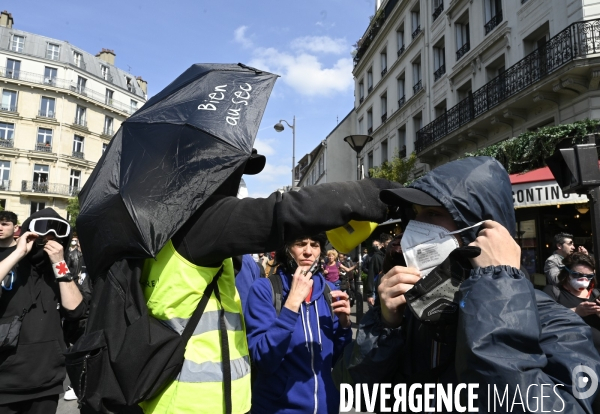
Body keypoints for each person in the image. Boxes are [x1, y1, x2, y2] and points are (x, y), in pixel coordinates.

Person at [333, 156, 600, 412]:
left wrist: (498, 287)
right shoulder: (415, 310)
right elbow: (353, 391)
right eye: (414, 213)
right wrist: (385, 326)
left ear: (482, 230)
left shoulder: (555, 322)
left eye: (433, 213)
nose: (416, 226)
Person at [244, 234, 352, 414]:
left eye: (315, 245)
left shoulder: (329, 291)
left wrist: (344, 326)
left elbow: (339, 359)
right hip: (278, 408)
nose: (308, 251)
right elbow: (264, 360)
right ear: (286, 249)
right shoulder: (264, 289)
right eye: (300, 244)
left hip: (327, 406)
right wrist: (292, 304)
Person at [0, 209, 87, 414]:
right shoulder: (7, 258)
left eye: (56, 236)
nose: (48, 241)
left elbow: (75, 311)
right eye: (42, 235)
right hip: (4, 381)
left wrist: (59, 263)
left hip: (46, 382)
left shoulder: (59, 269)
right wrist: (19, 252)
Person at [543, 252, 600, 412]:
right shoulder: (552, 292)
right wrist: (576, 311)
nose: (584, 280)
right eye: (578, 275)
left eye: (589, 276)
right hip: (573, 367)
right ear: (566, 273)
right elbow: (545, 320)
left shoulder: (596, 294)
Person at [366, 233, 391, 307]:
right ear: (383, 244)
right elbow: (371, 275)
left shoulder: (390, 255)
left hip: (388, 288)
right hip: (378, 289)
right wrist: (370, 294)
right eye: (388, 243)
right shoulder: (376, 257)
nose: (390, 244)